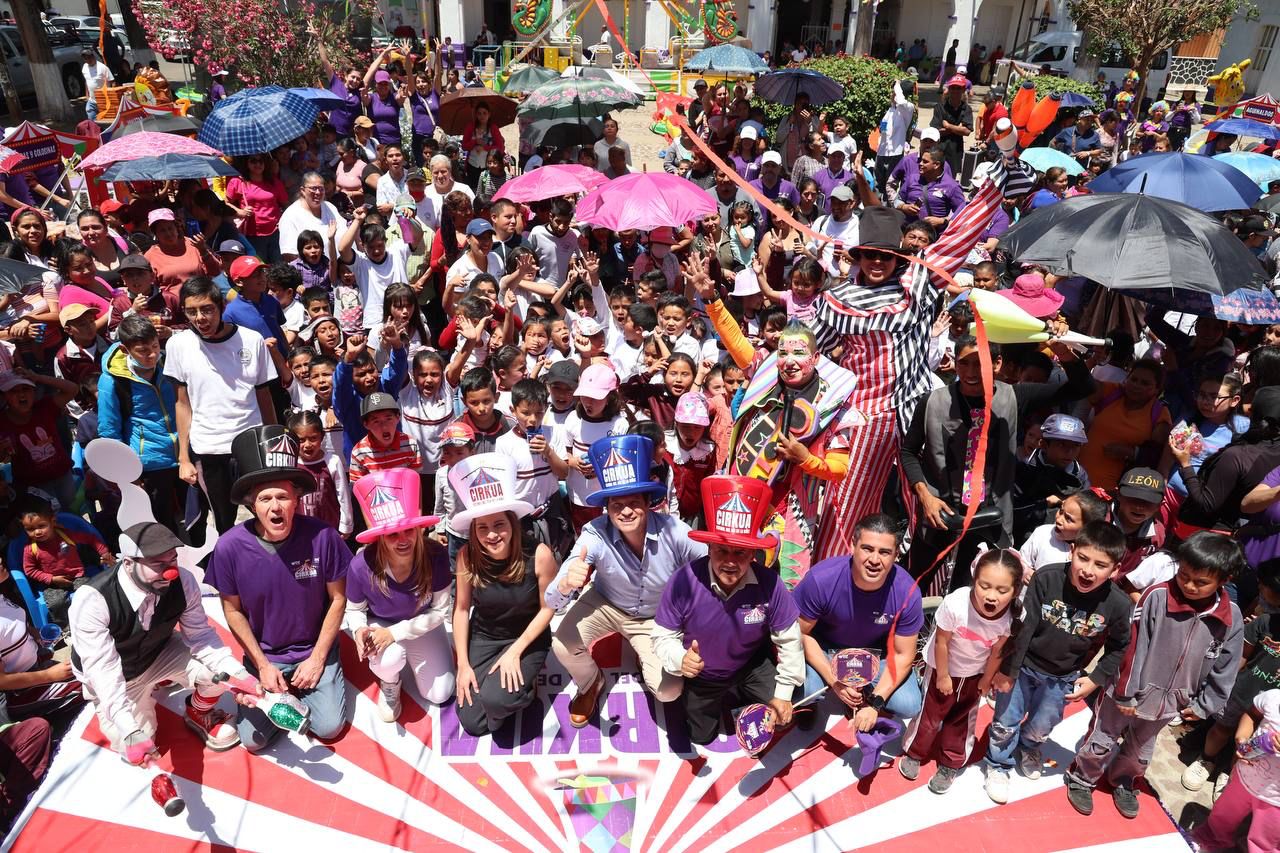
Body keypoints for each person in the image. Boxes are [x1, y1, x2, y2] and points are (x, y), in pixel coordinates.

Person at [810, 180, 1000, 561]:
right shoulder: (834, 300)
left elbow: (959, 238)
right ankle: (831, 586)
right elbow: (805, 352)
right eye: (869, 256)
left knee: (931, 506)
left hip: (917, 413)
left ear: (899, 257)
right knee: (846, 505)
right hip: (862, 418)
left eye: (885, 256)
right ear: (857, 257)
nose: (877, 262)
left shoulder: (919, 281)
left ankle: (925, 600)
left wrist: (997, 181)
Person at [1064, 532, 1243, 818]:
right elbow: (1133, 645)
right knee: (1102, 737)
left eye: (1201, 582)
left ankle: (1122, 779)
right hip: (1126, 693)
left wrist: (1203, 705)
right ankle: (1083, 778)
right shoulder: (1157, 596)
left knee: (1142, 748)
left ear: (1224, 580)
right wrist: (1125, 691)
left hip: (1170, 702)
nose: (1189, 585)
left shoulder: (1230, 618)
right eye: (1184, 575)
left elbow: (1226, 668)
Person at [204, 426, 350, 752]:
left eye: (283, 496)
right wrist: (262, 665)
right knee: (252, 741)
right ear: (251, 504)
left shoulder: (322, 536)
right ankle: (279, 692)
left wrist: (317, 658)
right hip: (266, 655)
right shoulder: (229, 547)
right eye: (265, 498)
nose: (275, 507)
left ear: (297, 499)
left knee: (329, 727)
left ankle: (310, 681)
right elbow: (232, 610)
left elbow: (339, 599)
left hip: (314, 649)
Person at [69, 519, 263, 763]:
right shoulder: (92, 601)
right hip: (119, 674)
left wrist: (240, 676)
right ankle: (141, 699)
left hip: (158, 651)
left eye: (172, 560)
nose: (170, 571)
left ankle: (198, 711)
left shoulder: (183, 581)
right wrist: (129, 728)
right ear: (128, 563)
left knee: (221, 675)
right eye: (158, 564)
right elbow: (104, 672)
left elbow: (201, 637)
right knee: (136, 748)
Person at [547, 436, 707, 727]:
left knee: (669, 691)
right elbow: (551, 599)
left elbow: (711, 565)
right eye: (616, 504)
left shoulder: (675, 530)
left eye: (634, 501)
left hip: (656, 618)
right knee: (562, 642)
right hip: (606, 602)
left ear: (649, 503)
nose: (626, 511)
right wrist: (566, 585)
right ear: (606, 508)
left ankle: (643, 653)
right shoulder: (594, 534)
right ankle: (590, 682)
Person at [983, 521, 1132, 804]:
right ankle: (998, 763)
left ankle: (1028, 747)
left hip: (1063, 677)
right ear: (1071, 552)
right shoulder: (1046, 578)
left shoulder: (1119, 604)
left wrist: (1096, 678)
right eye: (1083, 558)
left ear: (1115, 570)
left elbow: (1120, 644)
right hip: (1024, 666)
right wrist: (1007, 671)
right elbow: (1023, 629)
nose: (1088, 570)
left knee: (1043, 725)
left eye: (1100, 565)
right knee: (1005, 721)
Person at [652, 476, 804, 745]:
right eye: (722, 551)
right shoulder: (684, 580)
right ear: (709, 548)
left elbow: (790, 639)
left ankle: (753, 696)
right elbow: (662, 636)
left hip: (750, 664)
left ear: (753, 555)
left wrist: (783, 693)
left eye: (741, 553)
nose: (731, 562)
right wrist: (681, 660)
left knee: (787, 706)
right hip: (703, 674)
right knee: (701, 737)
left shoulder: (770, 583)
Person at [450, 453, 557, 735]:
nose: (492, 534)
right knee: (473, 722)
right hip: (484, 636)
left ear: (512, 524)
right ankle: (499, 689)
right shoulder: (466, 557)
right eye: (482, 527)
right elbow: (461, 610)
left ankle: (526, 688)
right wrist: (462, 664)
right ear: (473, 531)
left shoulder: (540, 554)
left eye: (499, 524)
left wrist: (515, 652)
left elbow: (548, 608)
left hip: (526, 638)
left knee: (496, 701)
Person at [900, 548, 1021, 794]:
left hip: (975, 673)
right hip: (943, 667)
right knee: (930, 715)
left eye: (1002, 590)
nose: (991, 596)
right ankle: (915, 752)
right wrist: (943, 675)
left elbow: (998, 650)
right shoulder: (956, 603)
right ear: (974, 580)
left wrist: (987, 679)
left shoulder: (1010, 617)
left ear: (1015, 591)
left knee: (962, 720)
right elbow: (941, 641)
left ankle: (950, 762)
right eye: (985, 586)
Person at [902, 336, 1018, 591]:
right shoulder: (932, 401)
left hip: (988, 515)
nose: (971, 372)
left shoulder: (1012, 397)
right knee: (914, 586)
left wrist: (1064, 352)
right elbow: (908, 452)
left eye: (980, 363)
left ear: (996, 364)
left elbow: (1080, 387)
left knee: (970, 590)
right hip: (940, 512)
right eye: (964, 363)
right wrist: (925, 496)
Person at [165, 277, 276, 534]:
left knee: (266, 512)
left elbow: (264, 395)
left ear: (221, 308)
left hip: (251, 443)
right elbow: (182, 404)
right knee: (224, 521)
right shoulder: (178, 345)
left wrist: (273, 439)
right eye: (191, 311)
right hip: (209, 448)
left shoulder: (252, 340)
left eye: (207, 309)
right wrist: (183, 457)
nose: (200, 317)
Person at [794, 514, 925, 731]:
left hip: (876, 653)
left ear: (895, 556)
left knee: (909, 704)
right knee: (806, 690)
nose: (874, 560)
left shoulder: (907, 592)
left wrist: (876, 702)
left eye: (884, 552)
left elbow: (903, 655)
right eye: (867, 548)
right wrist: (834, 680)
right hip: (826, 648)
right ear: (853, 546)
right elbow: (799, 634)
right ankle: (813, 704)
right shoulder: (821, 579)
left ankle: (863, 695)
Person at [346, 469, 453, 722]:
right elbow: (354, 610)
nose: (403, 539)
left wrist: (395, 634)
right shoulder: (361, 565)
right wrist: (360, 630)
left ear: (419, 530)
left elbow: (439, 611)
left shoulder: (435, 554)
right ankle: (390, 683)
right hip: (380, 623)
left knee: (441, 693)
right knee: (389, 659)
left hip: (422, 623)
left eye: (409, 530)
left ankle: (409, 657)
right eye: (393, 534)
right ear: (380, 538)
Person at [98, 315, 183, 534]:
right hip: (149, 464)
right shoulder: (113, 380)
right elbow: (109, 431)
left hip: (185, 457)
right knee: (162, 526)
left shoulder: (170, 364)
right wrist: (127, 475)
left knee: (194, 520)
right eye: (143, 351)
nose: (152, 355)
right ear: (126, 350)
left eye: (155, 346)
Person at [278, 172, 344, 262]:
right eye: (313, 188)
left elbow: (344, 232)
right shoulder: (290, 215)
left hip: (342, 269)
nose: (318, 192)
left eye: (321, 189)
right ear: (302, 190)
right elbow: (289, 255)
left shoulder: (330, 207)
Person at [931, 75, 973, 177]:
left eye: (958, 88)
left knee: (950, 178)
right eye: (953, 87)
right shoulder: (939, 107)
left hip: (955, 152)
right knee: (936, 177)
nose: (955, 91)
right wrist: (958, 128)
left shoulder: (966, 109)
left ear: (963, 89)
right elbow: (935, 131)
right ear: (949, 89)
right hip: (940, 150)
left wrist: (949, 126)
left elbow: (967, 131)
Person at [81, 48, 110, 120]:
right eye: (85, 58)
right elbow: (87, 81)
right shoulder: (84, 67)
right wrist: (87, 96)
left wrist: (110, 97)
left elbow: (112, 82)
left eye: (89, 57)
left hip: (103, 101)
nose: (88, 60)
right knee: (92, 120)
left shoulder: (103, 67)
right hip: (92, 101)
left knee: (105, 121)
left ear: (93, 56)